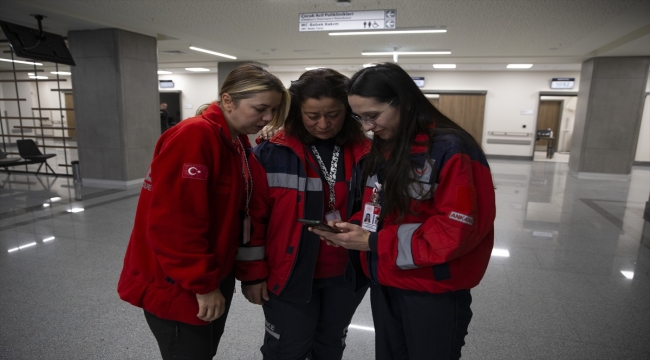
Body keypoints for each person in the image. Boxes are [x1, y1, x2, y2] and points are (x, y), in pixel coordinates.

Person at [312, 63, 496, 360]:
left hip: (433, 289)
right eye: (360, 118)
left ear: (405, 101)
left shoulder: (451, 149)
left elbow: (457, 230)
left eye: (373, 115)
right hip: (386, 280)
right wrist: (353, 228)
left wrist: (373, 242)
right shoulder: (385, 149)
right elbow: (378, 208)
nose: (368, 126)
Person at [117, 63, 290, 360]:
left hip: (210, 273)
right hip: (181, 281)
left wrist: (246, 275)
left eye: (273, 111)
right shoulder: (195, 136)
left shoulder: (236, 143)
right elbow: (176, 224)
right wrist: (203, 284)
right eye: (261, 108)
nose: (267, 118)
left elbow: (245, 212)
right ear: (227, 101)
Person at [235, 68, 371, 360]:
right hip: (287, 274)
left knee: (331, 345)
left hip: (346, 276)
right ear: (297, 112)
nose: (323, 124)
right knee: (288, 348)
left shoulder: (366, 152)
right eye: (312, 116)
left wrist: (356, 225)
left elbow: (376, 207)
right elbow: (254, 218)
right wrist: (252, 275)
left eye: (333, 114)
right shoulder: (272, 152)